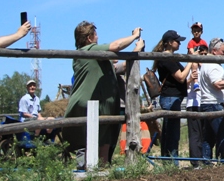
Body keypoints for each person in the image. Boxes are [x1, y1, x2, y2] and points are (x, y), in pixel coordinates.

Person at [63, 22, 144, 165]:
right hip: (92, 104)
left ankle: (101, 168)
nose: (97, 37)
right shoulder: (89, 50)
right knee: (91, 140)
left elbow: (123, 66)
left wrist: (137, 49)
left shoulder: (96, 60)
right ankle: (92, 169)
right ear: (89, 38)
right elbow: (116, 46)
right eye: (95, 34)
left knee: (103, 139)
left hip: (101, 105)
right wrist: (134, 36)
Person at [152, 29, 198, 158]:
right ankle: (172, 160)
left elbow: (180, 80)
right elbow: (180, 77)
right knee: (172, 133)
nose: (179, 44)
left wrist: (190, 79)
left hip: (172, 97)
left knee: (170, 132)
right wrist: (190, 61)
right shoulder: (167, 59)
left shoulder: (169, 58)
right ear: (170, 42)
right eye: (177, 41)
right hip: (170, 98)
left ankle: (169, 160)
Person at [185, 45, 204, 167]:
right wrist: (191, 79)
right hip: (192, 104)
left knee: (202, 134)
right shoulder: (188, 70)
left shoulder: (204, 69)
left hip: (203, 103)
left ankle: (202, 157)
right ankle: (195, 161)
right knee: (194, 134)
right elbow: (183, 83)